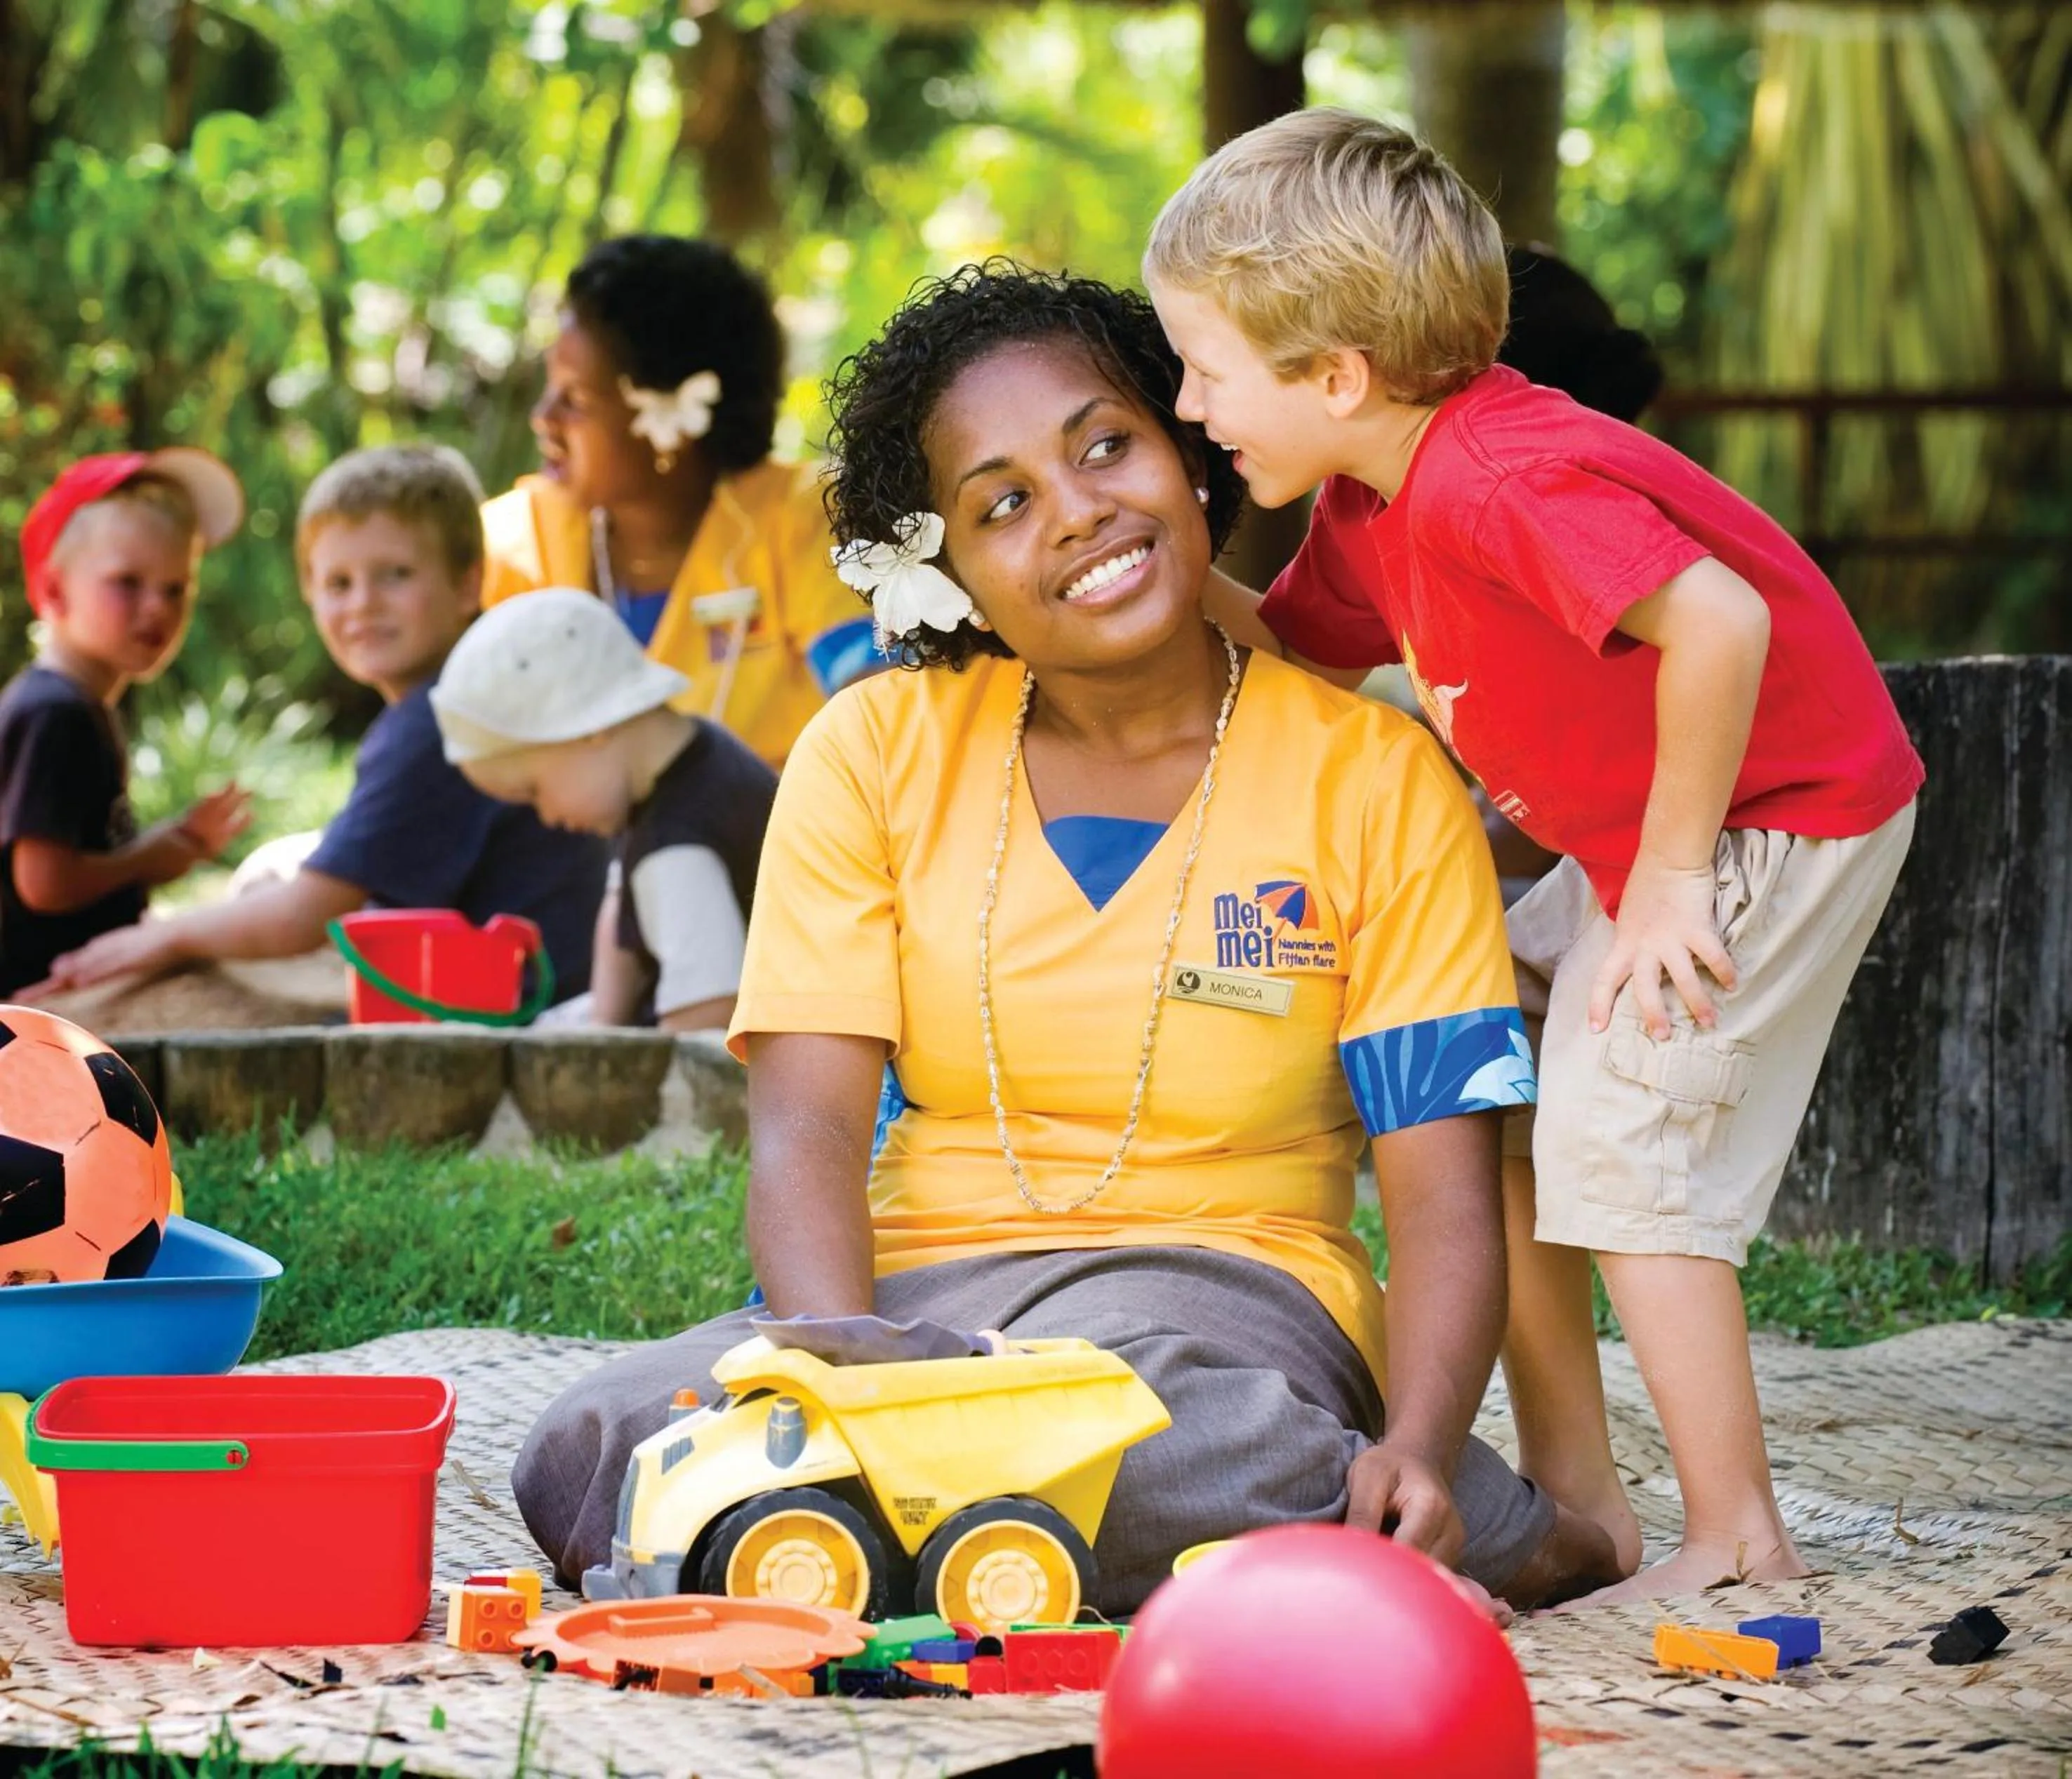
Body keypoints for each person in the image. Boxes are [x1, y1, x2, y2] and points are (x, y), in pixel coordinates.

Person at [510, 265, 1622, 1618]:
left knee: (1196, 1447)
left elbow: (1442, 1193)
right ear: (951, 570)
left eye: (1106, 444)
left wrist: (1424, 1449)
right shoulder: (868, 752)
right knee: (584, 1443)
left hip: (1217, 1312)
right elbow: (804, 1135)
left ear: (1184, 445)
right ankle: (979, 1523)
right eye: (1003, 503)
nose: (1080, 512)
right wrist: (860, 1375)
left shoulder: (1374, 778)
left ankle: (1400, 1511)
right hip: (903, 1305)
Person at [1145, 109, 1924, 1605]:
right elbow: (1301, 644)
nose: (1189, 405)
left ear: (1335, 376)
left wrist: (1681, 880)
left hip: (1776, 814)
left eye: (1205, 368)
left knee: (1623, 1150)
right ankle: (1593, 1497)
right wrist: (1156, 563)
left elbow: (1721, 623)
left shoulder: (1494, 476)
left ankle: (1741, 1543)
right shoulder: (1372, 500)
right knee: (1509, 1091)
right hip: (1653, 836)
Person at [30, 446, 607, 1008]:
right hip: (524, 975)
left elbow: (302, 917)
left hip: (518, 1002)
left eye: (395, 575)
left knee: (191, 979)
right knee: (263, 882)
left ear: (466, 583)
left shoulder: (442, 717)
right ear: (311, 593)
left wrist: (160, 938)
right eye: (339, 583)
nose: (363, 604)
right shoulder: (461, 692)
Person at [482, 234, 877, 771]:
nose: (543, 417)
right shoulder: (514, 541)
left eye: (573, 399)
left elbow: (884, 716)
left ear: (675, 418)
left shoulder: (805, 518)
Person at [430, 587, 776, 1033]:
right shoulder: (689, 758)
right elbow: (619, 912)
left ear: (590, 728)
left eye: (535, 791)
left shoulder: (677, 849)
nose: (546, 817)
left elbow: (707, 1013)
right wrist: (602, 1026)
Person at [0, 450, 250, 996]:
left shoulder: (77, 705)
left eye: (175, 588)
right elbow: (45, 883)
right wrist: (151, 858)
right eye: (127, 582)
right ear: (55, 590)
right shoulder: (54, 714)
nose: (157, 608)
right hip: (34, 1014)